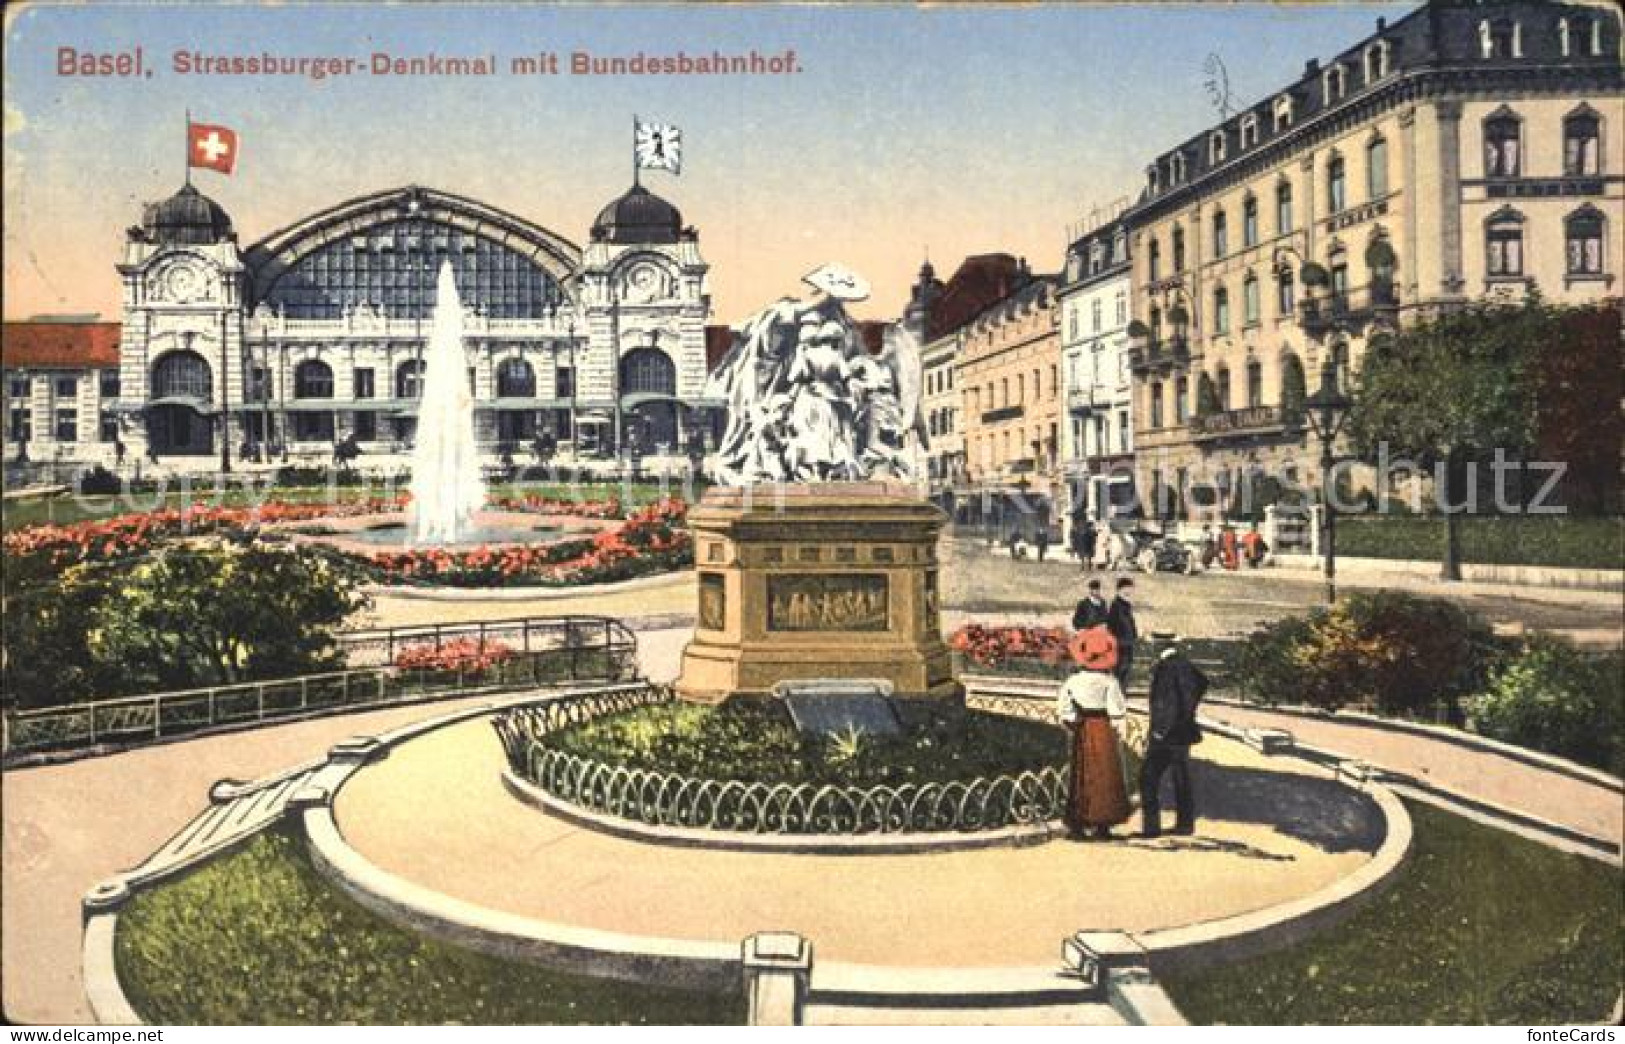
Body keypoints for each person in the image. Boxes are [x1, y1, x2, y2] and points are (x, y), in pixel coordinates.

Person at [1057, 626, 1130, 840]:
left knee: (1082, 773)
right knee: (1105, 773)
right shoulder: (1109, 682)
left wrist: (1073, 723)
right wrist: (1118, 730)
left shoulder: (1073, 681)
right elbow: (1117, 711)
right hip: (1103, 728)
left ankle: (1078, 823)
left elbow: (1064, 709)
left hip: (1084, 727)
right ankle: (1102, 825)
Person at [1141, 640, 1210, 838]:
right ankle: (1185, 825)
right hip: (1184, 732)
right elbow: (1202, 682)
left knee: (1148, 777)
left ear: (1158, 647)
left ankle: (1151, 828)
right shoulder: (1185, 664)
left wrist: (1160, 729)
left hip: (1165, 734)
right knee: (1181, 778)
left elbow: (1168, 702)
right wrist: (1188, 711)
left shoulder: (1166, 668)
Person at [1106, 577, 1139, 690]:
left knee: (1125, 674)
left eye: (1130, 589)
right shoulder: (1116, 606)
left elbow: (1130, 624)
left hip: (1128, 645)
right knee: (1119, 674)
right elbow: (1112, 627)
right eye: (1127, 589)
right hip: (1119, 646)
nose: (1129, 591)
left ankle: (1121, 698)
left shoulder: (1126, 605)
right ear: (1119, 590)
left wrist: (1134, 636)